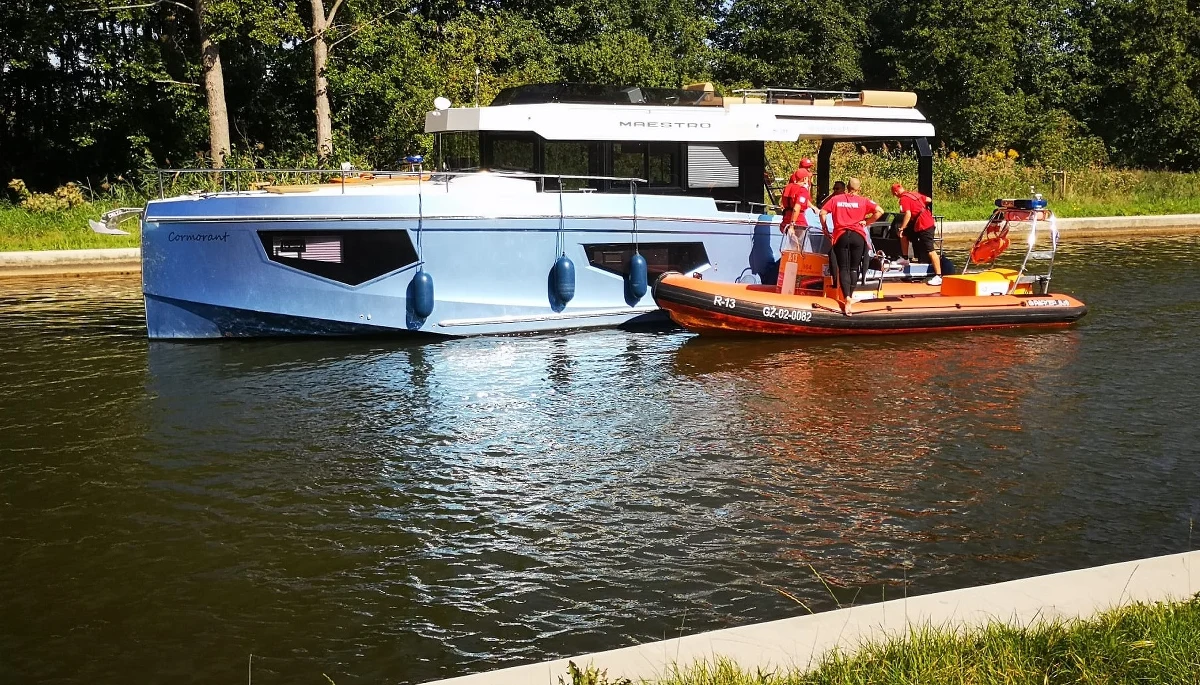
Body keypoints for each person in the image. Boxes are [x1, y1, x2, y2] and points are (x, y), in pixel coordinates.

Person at [819, 177, 880, 314]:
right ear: (859, 189)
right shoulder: (864, 200)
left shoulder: (836, 199)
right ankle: (851, 297)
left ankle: (846, 297)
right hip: (858, 236)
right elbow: (879, 211)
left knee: (843, 268)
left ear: (847, 187)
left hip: (841, 235)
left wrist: (824, 228)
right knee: (853, 268)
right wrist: (867, 222)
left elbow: (822, 212)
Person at [891, 183, 943, 286]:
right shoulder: (914, 194)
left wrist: (902, 227)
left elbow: (908, 214)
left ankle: (938, 276)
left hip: (925, 225)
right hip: (920, 223)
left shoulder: (903, 199)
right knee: (904, 234)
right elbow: (929, 199)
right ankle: (905, 258)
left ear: (895, 193)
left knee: (930, 250)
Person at [779, 163, 814, 234]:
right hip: (798, 223)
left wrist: (814, 208)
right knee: (799, 241)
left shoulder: (787, 187)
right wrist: (792, 225)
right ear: (805, 178)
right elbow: (796, 208)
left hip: (785, 221)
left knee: (792, 241)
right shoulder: (802, 190)